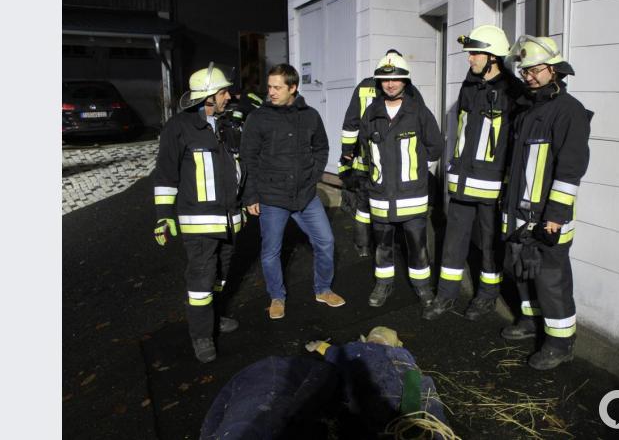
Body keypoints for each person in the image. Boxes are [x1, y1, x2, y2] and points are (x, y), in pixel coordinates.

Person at [499, 36, 593, 370]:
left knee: (551, 281)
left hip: (545, 217)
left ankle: (560, 343)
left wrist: (554, 217)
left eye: (535, 70)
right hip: (519, 213)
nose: (529, 76)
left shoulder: (569, 112)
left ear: (554, 70)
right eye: (525, 71)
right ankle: (529, 322)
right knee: (522, 272)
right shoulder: (528, 108)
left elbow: (570, 171)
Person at [422, 25, 526, 321]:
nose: (470, 59)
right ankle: (445, 296)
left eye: (475, 53)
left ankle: (486, 298)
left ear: (493, 57)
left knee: (490, 245)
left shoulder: (514, 92)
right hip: (463, 183)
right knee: (453, 242)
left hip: (493, 187)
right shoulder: (469, 86)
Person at [152, 62, 243, 363]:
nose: (228, 97)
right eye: (223, 93)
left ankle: (213, 318)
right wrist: (164, 217)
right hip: (200, 226)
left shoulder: (227, 125)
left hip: (230, 222)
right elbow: (165, 176)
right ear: (208, 97)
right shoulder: (178, 129)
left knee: (220, 276)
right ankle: (202, 336)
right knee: (201, 283)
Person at [240, 63, 345, 320]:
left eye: (277, 87)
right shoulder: (258, 118)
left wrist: (314, 175)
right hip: (272, 196)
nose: (271, 92)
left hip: (305, 195)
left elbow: (321, 147)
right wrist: (250, 195)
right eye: (269, 87)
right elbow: (248, 158)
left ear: (293, 88)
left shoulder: (310, 116)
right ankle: (277, 296)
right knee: (271, 251)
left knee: (326, 241)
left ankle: (323, 289)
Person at [358, 53, 444, 307]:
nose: (391, 84)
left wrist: (414, 170)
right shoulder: (371, 114)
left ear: (405, 81)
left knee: (418, 247)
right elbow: (365, 148)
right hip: (381, 196)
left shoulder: (418, 112)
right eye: (385, 79)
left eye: (396, 78)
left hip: (412, 196)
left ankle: (422, 287)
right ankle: (383, 284)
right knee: (382, 246)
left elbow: (436, 146)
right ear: (379, 82)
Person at [339, 49, 424, 258]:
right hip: (394, 164)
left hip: (364, 160)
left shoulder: (363, 87)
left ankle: (363, 246)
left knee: (364, 204)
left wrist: (347, 151)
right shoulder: (408, 88)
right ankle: (392, 245)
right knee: (387, 204)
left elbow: (351, 122)